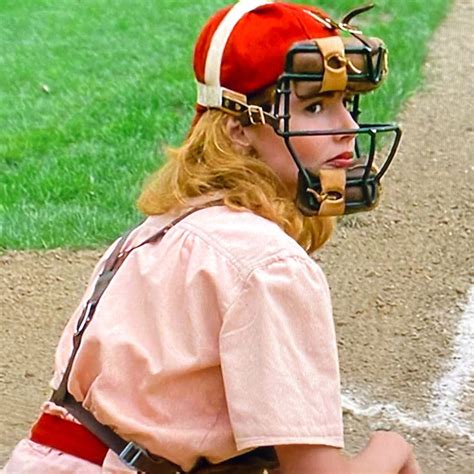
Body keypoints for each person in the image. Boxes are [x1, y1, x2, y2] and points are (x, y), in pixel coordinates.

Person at [2, 1, 421, 473]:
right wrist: (393, 448)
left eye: (346, 103)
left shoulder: (153, 233)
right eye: (316, 105)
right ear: (239, 128)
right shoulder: (269, 263)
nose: (347, 127)